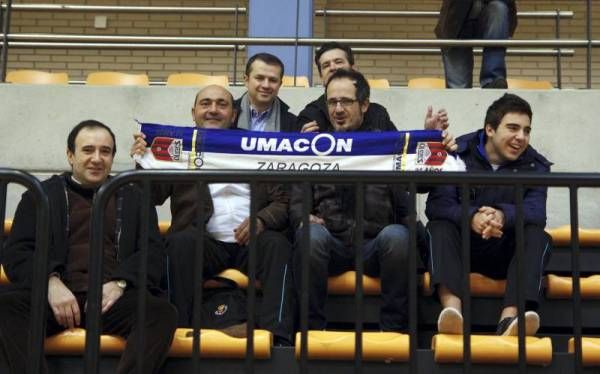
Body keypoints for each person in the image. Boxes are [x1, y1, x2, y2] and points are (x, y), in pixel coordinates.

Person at [0, 120, 177, 374]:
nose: (97, 158)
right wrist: (50, 282)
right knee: (6, 308)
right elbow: (17, 252)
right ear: (70, 155)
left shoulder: (135, 197)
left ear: (113, 158)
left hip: (111, 299)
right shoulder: (40, 195)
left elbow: (153, 253)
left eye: (105, 151)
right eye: (88, 150)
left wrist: (120, 283)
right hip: (56, 297)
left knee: (161, 314)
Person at [289, 69, 454, 332]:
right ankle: (311, 331)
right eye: (332, 102)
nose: (338, 109)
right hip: (330, 244)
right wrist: (302, 218)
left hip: (376, 246)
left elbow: (422, 182)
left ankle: (393, 333)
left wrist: (429, 143)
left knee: (397, 236)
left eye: (346, 101)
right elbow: (297, 197)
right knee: (310, 235)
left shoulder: (385, 145)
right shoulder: (315, 146)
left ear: (364, 105)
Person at [131, 85, 295, 346]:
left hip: (252, 240)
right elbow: (148, 196)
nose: (213, 110)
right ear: (193, 112)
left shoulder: (256, 146)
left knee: (279, 245)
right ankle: (177, 333)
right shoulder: (177, 146)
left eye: (221, 104)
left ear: (233, 114)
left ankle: (280, 338)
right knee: (178, 244)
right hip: (202, 240)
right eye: (206, 103)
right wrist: (144, 162)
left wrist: (262, 219)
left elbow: (282, 199)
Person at [425, 93, 552, 336]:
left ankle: (510, 320)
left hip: (505, 252)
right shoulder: (457, 152)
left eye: (526, 130)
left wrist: (503, 216)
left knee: (539, 236)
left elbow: (536, 212)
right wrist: (472, 217)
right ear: (490, 129)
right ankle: (453, 314)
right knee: (438, 227)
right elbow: (438, 205)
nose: (521, 137)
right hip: (462, 249)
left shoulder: (536, 165)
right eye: (513, 128)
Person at [296, 41, 449, 133]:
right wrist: (302, 146)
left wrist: (428, 136)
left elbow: (399, 152)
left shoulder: (378, 114)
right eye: (326, 65)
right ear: (321, 77)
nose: (333, 68)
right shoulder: (310, 115)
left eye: (338, 61)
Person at [435, 0, 518, 88]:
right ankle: (491, 80)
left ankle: (492, 80)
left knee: (498, 8)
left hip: (491, 15)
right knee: (458, 89)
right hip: (456, 24)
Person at [233, 52, 298, 132]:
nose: (266, 85)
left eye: (273, 80)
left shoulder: (294, 124)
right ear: (246, 80)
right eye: (259, 78)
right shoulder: (226, 115)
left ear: (280, 84)